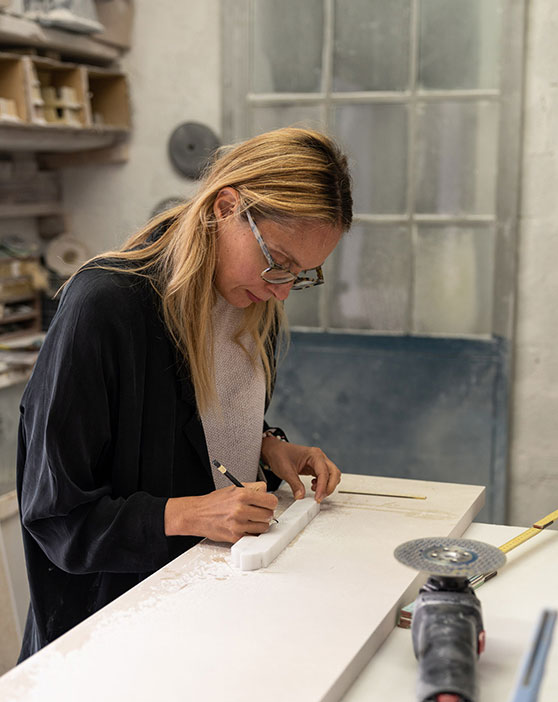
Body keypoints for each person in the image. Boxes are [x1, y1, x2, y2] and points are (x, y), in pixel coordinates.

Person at [16, 127, 353, 661]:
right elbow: (57, 518)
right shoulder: (105, 307)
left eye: (302, 275)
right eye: (279, 261)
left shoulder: (251, 304)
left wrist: (265, 445)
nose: (282, 289)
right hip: (110, 636)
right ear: (226, 207)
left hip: (209, 608)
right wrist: (190, 515)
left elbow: (187, 424)